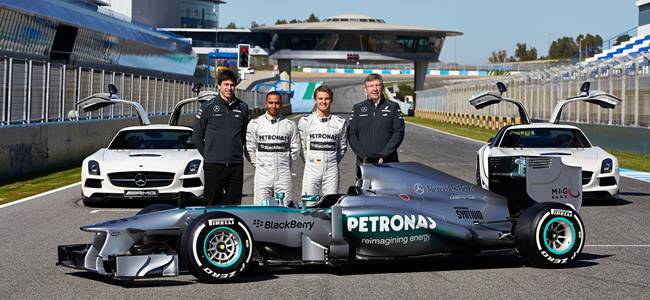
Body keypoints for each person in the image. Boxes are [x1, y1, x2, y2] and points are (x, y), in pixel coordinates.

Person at [192, 70, 249, 206]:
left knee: (234, 206)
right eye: (226, 84)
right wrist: (208, 155)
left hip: (236, 166)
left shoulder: (243, 108)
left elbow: (245, 134)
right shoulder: (208, 107)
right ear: (219, 86)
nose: (229, 88)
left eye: (232, 85)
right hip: (214, 165)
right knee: (211, 204)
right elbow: (197, 136)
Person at [246, 91, 300, 206]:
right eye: (271, 103)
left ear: (281, 104)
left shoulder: (290, 125)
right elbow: (250, 148)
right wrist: (258, 165)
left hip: (283, 174)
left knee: (285, 210)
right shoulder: (255, 123)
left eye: (277, 103)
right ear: (265, 104)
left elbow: (295, 149)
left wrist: (285, 164)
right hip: (262, 174)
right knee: (260, 210)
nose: (273, 106)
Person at [348, 73, 405, 180]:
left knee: (389, 195)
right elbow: (351, 134)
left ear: (382, 88)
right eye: (371, 86)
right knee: (364, 194)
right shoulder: (358, 108)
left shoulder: (393, 107)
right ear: (365, 89)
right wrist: (364, 156)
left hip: (388, 162)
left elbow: (399, 132)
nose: (374, 89)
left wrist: (384, 155)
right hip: (364, 163)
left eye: (377, 85)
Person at [298, 85, 348, 196]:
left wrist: (332, 161)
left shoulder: (340, 122)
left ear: (331, 100)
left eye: (327, 98)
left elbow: (342, 147)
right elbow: (302, 147)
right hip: (311, 167)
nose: (323, 102)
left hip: (331, 169)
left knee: (330, 204)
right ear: (315, 100)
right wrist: (311, 161)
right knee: (309, 203)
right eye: (320, 99)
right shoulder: (305, 121)